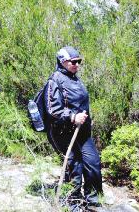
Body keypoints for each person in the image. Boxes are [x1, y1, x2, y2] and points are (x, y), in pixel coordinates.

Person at [43, 46, 103, 210]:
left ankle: (93, 201)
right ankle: (73, 203)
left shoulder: (75, 79)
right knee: (74, 166)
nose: (77, 64)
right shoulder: (54, 80)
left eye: (79, 61)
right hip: (62, 132)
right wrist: (72, 116)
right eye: (73, 62)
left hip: (82, 132)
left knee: (93, 162)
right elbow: (52, 109)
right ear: (62, 62)